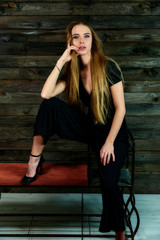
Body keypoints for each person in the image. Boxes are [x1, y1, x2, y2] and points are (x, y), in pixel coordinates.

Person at [20, 20, 129, 240]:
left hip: (112, 133)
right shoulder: (74, 71)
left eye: (86, 36)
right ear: (70, 42)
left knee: (108, 183)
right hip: (90, 127)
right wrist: (61, 60)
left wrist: (108, 143)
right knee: (49, 106)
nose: (81, 41)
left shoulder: (108, 66)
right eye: (75, 37)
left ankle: (119, 228)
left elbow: (121, 110)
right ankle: (34, 160)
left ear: (93, 40)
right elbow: (46, 94)